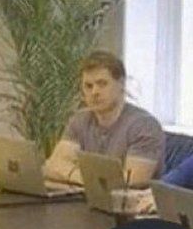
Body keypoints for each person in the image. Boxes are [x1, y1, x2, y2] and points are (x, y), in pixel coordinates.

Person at [44, 51, 165, 186]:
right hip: (85, 198)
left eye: (102, 84)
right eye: (88, 86)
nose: (94, 92)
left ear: (121, 84)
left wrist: (71, 174)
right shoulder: (80, 119)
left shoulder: (145, 126)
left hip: (128, 205)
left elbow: (131, 183)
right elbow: (53, 166)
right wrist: (84, 178)